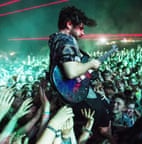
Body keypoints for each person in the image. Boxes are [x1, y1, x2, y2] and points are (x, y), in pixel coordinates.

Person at [47, 5, 111, 141]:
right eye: (81, 28)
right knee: (103, 111)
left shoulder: (56, 40)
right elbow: (71, 72)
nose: (83, 33)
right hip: (75, 95)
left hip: (67, 94)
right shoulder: (66, 40)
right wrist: (91, 64)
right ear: (69, 24)